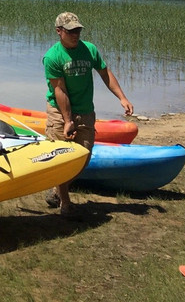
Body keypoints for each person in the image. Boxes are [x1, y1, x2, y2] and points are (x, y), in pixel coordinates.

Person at [43, 11, 134, 216]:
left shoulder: (89, 49)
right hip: (59, 111)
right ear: (59, 32)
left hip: (85, 110)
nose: (75, 34)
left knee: (83, 157)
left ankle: (57, 190)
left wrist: (122, 98)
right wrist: (67, 121)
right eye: (70, 31)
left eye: (78, 30)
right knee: (61, 158)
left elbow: (105, 73)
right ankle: (65, 204)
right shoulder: (52, 57)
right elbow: (60, 90)